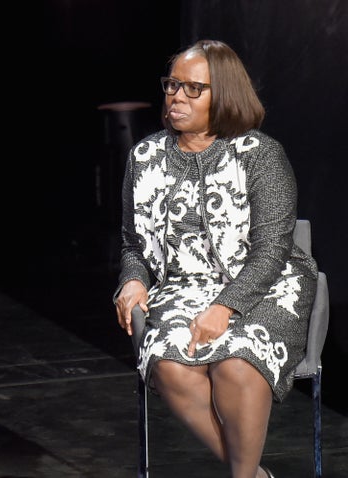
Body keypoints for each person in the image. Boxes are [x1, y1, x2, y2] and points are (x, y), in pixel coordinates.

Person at [114, 39, 318, 478]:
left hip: (266, 286)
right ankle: (254, 475)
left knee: (237, 362)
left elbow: (273, 249)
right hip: (182, 289)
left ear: (223, 95)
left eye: (193, 89)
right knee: (171, 365)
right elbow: (134, 245)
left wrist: (226, 306)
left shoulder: (261, 154)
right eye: (173, 85)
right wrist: (132, 279)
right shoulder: (144, 157)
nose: (177, 97)